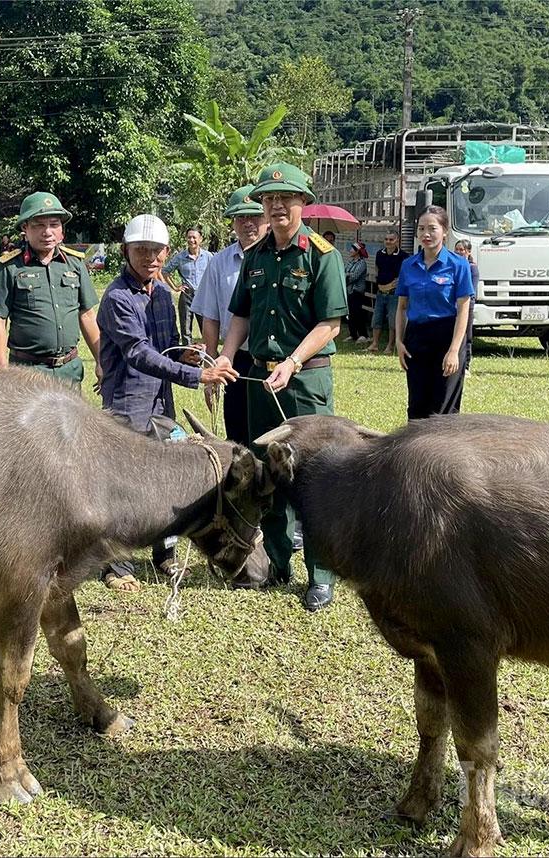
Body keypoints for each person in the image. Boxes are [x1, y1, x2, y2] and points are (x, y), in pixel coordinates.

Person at [217, 162, 347, 612]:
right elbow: (241, 316)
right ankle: (276, 562)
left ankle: (321, 576)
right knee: (266, 474)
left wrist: (293, 362)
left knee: (312, 478)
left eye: (284, 200)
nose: (275, 207)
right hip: (260, 381)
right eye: (269, 200)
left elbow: (330, 324)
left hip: (305, 382)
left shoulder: (320, 254)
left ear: (301, 204)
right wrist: (226, 355)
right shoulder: (254, 255)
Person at [96, 213, 239, 592]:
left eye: (157, 251)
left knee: (167, 477)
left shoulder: (162, 294)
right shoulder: (116, 297)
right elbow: (138, 353)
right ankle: (117, 564)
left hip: (161, 401)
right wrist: (196, 376)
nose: (150, 258)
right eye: (141, 251)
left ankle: (164, 555)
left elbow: (167, 346)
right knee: (124, 483)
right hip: (128, 402)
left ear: (167, 253)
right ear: (125, 251)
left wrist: (188, 356)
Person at [0, 191, 101, 388]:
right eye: (39, 225)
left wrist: (101, 361)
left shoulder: (75, 264)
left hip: (69, 371)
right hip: (27, 373)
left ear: (62, 230)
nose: (47, 232)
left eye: (54, 224)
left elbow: (87, 315)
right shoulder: (10, 267)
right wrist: (2, 373)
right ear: (25, 229)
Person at [194, 184, 269, 447]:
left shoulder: (281, 258)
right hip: (235, 359)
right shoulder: (219, 263)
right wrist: (211, 366)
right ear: (233, 222)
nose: (248, 223)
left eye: (255, 216)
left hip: (274, 360)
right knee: (237, 434)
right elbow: (210, 317)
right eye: (241, 217)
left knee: (273, 435)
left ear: (267, 218)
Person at [396, 206, 474, 419]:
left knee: (444, 407)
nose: (426, 234)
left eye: (432, 228)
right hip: (416, 338)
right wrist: (399, 342)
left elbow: (463, 309)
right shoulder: (408, 265)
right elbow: (402, 306)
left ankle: (444, 452)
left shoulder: (458, 265)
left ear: (445, 231)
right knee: (417, 406)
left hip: (447, 336)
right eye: (421, 229)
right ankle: (414, 452)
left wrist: (454, 350)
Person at [162, 226, 212, 341]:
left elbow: (216, 272)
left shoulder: (208, 256)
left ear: (200, 239)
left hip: (203, 296)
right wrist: (175, 287)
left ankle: (209, 353)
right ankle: (187, 354)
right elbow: (165, 271)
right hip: (187, 295)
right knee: (186, 328)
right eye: (189, 237)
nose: (191, 240)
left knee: (206, 328)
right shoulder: (180, 257)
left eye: (194, 237)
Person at [369, 229, 407, 354]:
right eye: (386, 239)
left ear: (397, 241)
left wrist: (392, 285)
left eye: (391, 239)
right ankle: (374, 343)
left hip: (394, 294)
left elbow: (403, 275)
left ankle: (390, 346)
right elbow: (377, 269)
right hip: (380, 292)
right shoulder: (380, 254)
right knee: (377, 319)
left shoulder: (403, 256)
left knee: (392, 321)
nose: (388, 242)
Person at [453, 238, 480, 374]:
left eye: (461, 250)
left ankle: (466, 365)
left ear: (468, 252)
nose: (458, 252)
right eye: (456, 249)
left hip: (466, 307)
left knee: (466, 335)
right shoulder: (452, 266)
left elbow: (471, 292)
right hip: (452, 306)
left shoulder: (472, 268)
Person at [343, 241, 369, 343]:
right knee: (350, 314)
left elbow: (355, 276)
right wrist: (347, 274)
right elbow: (343, 272)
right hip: (349, 290)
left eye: (352, 249)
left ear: (357, 251)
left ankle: (363, 334)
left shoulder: (362, 263)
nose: (350, 251)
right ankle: (353, 334)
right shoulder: (350, 262)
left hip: (357, 291)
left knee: (357, 313)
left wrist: (347, 275)